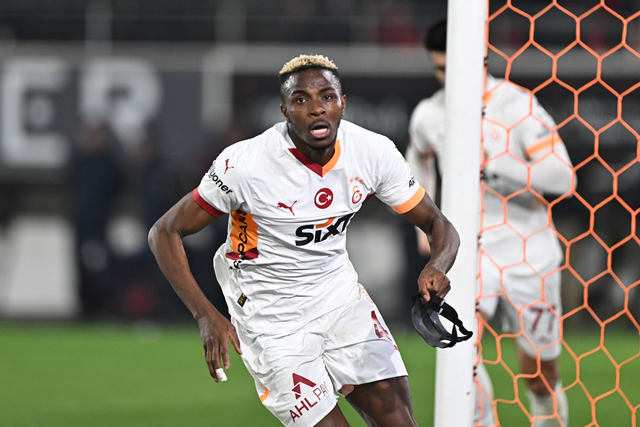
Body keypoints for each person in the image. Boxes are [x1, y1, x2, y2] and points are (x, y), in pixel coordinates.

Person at [148, 54, 460, 427]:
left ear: (343, 103)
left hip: (340, 301)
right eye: (301, 100)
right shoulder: (245, 165)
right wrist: (204, 314)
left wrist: (437, 265)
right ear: (284, 111)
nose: (316, 108)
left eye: (327, 96)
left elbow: (437, 223)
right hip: (271, 320)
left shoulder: (373, 152)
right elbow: (164, 232)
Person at [406, 20, 574, 427]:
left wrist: (495, 166)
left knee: (539, 375)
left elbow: (562, 178)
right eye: (439, 69)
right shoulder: (429, 114)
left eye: (453, 68)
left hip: (529, 253)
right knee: (462, 356)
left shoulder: (517, 105)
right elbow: (418, 163)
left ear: (476, 60)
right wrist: (423, 226)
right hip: (469, 254)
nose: (447, 78)